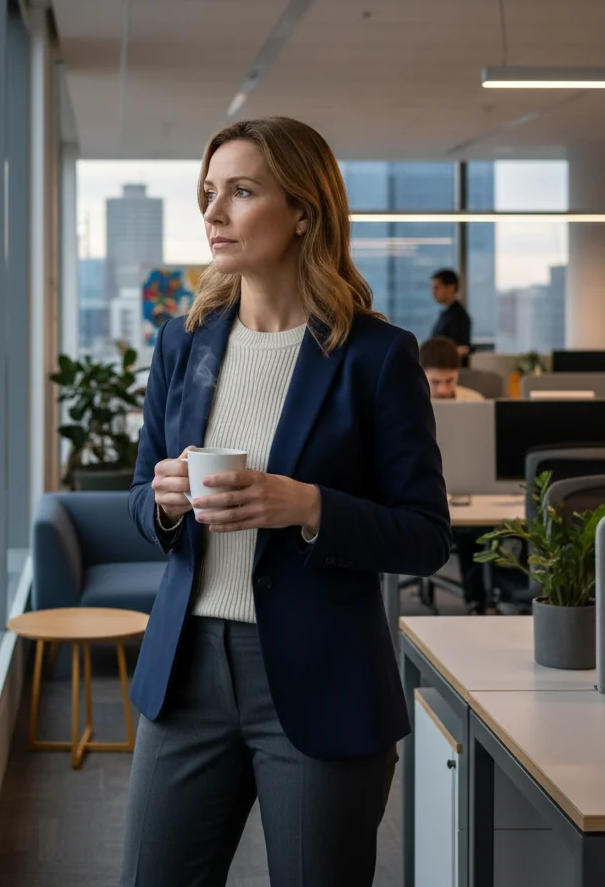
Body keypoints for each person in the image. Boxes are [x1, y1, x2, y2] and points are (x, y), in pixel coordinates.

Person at [122, 117, 451, 887]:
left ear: (304, 210)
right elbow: (141, 496)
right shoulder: (184, 341)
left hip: (322, 679)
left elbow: (425, 534)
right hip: (187, 676)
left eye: (241, 191)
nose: (214, 213)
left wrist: (307, 506)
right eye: (209, 193)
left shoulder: (375, 355)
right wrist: (165, 501)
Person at [419, 335, 491, 615]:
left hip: (466, 492)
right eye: (435, 382)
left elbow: (482, 458)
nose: (444, 389)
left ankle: (477, 602)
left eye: (450, 381)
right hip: (423, 491)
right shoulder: (407, 403)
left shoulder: (474, 403)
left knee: (475, 532)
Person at [419, 335, 484, 401]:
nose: (443, 391)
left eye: (449, 381)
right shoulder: (410, 404)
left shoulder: (475, 401)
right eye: (435, 382)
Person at [430, 268, 472, 366]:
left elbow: (460, 350)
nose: (433, 293)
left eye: (437, 288)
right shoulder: (446, 314)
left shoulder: (459, 317)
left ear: (450, 287)